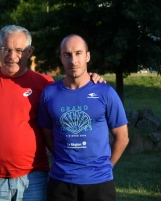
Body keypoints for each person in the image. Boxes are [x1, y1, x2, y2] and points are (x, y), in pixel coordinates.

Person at [0, 25, 105, 201]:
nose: (12, 56)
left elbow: (75, 93)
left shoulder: (45, 85)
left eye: (19, 50)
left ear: (29, 51)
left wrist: (92, 77)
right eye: (6, 49)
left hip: (33, 178)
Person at [37, 34, 129, 201]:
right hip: (61, 182)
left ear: (87, 56)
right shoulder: (49, 94)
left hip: (99, 184)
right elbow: (47, 135)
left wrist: (107, 167)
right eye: (67, 55)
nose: (73, 60)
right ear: (61, 59)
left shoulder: (105, 92)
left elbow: (122, 138)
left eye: (78, 53)